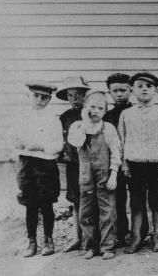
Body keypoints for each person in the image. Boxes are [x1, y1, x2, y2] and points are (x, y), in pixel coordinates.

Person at [118, 72, 158, 253]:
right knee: (136, 203)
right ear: (132, 90)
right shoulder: (126, 114)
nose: (144, 89)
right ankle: (136, 238)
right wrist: (124, 164)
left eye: (149, 86)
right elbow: (121, 140)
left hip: (156, 165)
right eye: (140, 86)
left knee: (157, 203)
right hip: (134, 164)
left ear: (156, 91)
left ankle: (157, 237)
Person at [68, 91, 121, 259]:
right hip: (85, 175)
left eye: (100, 108)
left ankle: (108, 247)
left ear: (105, 111)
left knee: (107, 210)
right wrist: (85, 122)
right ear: (85, 108)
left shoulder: (108, 128)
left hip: (105, 175)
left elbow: (116, 152)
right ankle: (91, 246)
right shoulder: (78, 126)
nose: (96, 111)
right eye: (92, 107)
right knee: (86, 211)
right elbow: (76, 142)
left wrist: (113, 175)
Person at [11, 81, 63, 257]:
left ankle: (48, 239)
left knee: (46, 203)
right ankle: (32, 241)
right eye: (36, 96)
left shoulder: (53, 119)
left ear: (49, 99)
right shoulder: (20, 117)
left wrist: (40, 146)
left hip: (46, 164)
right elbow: (13, 139)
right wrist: (21, 145)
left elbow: (57, 145)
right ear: (29, 96)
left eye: (45, 97)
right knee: (30, 204)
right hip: (26, 163)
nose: (40, 100)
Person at [103, 73, 149, 248]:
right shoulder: (107, 116)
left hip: (135, 161)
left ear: (130, 90)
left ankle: (141, 232)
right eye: (115, 91)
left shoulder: (136, 112)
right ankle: (121, 233)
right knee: (118, 198)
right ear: (109, 93)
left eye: (123, 90)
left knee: (138, 198)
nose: (119, 94)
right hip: (115, 163)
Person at [56, 76, 91, 253]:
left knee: (92, 200)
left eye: (79, 94)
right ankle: (78, 237)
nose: (75, 99)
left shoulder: (92, 114)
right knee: (77, 201)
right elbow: (60, 141)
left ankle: (93, 238)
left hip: (91, 165)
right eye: (70, 95)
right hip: (73, 166)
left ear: (85, 95)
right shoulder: (65, 117)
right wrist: (63, 156)